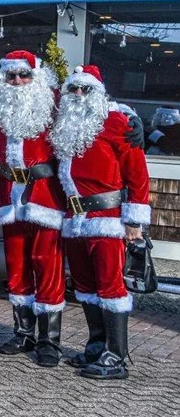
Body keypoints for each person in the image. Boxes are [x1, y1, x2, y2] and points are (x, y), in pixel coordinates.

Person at [49, 65, 150, 380]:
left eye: (86, 89)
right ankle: (96, 346)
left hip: (107, 220)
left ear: (99, 93)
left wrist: (134, 221)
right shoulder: (63, 123)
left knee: (111, 288)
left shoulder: (117, 123)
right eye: (73, 89)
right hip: (76, 220)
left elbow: (137, 174)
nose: (79, 95)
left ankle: (116, 356)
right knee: (86, 287)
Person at [0, 50, 67, 366]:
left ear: (37, 76)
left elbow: (91, 109)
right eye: (11, 75)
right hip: (10, 196)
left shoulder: (56, 102)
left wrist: (128, 118)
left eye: (24, 75)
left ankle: (49, 340)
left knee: (47, 264)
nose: (17, 81)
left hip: (45, 197)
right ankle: (24, 333)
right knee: (16, 265)